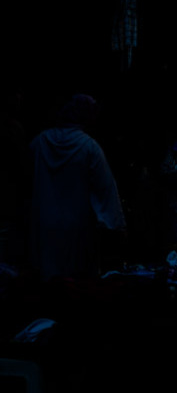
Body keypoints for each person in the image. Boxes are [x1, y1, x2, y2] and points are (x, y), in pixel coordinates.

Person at [30, 94, 126, 281]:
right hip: (78, 231)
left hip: (42, 228)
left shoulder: (40, 141)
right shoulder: (89, 147)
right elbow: (106, 192)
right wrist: (118, 228)